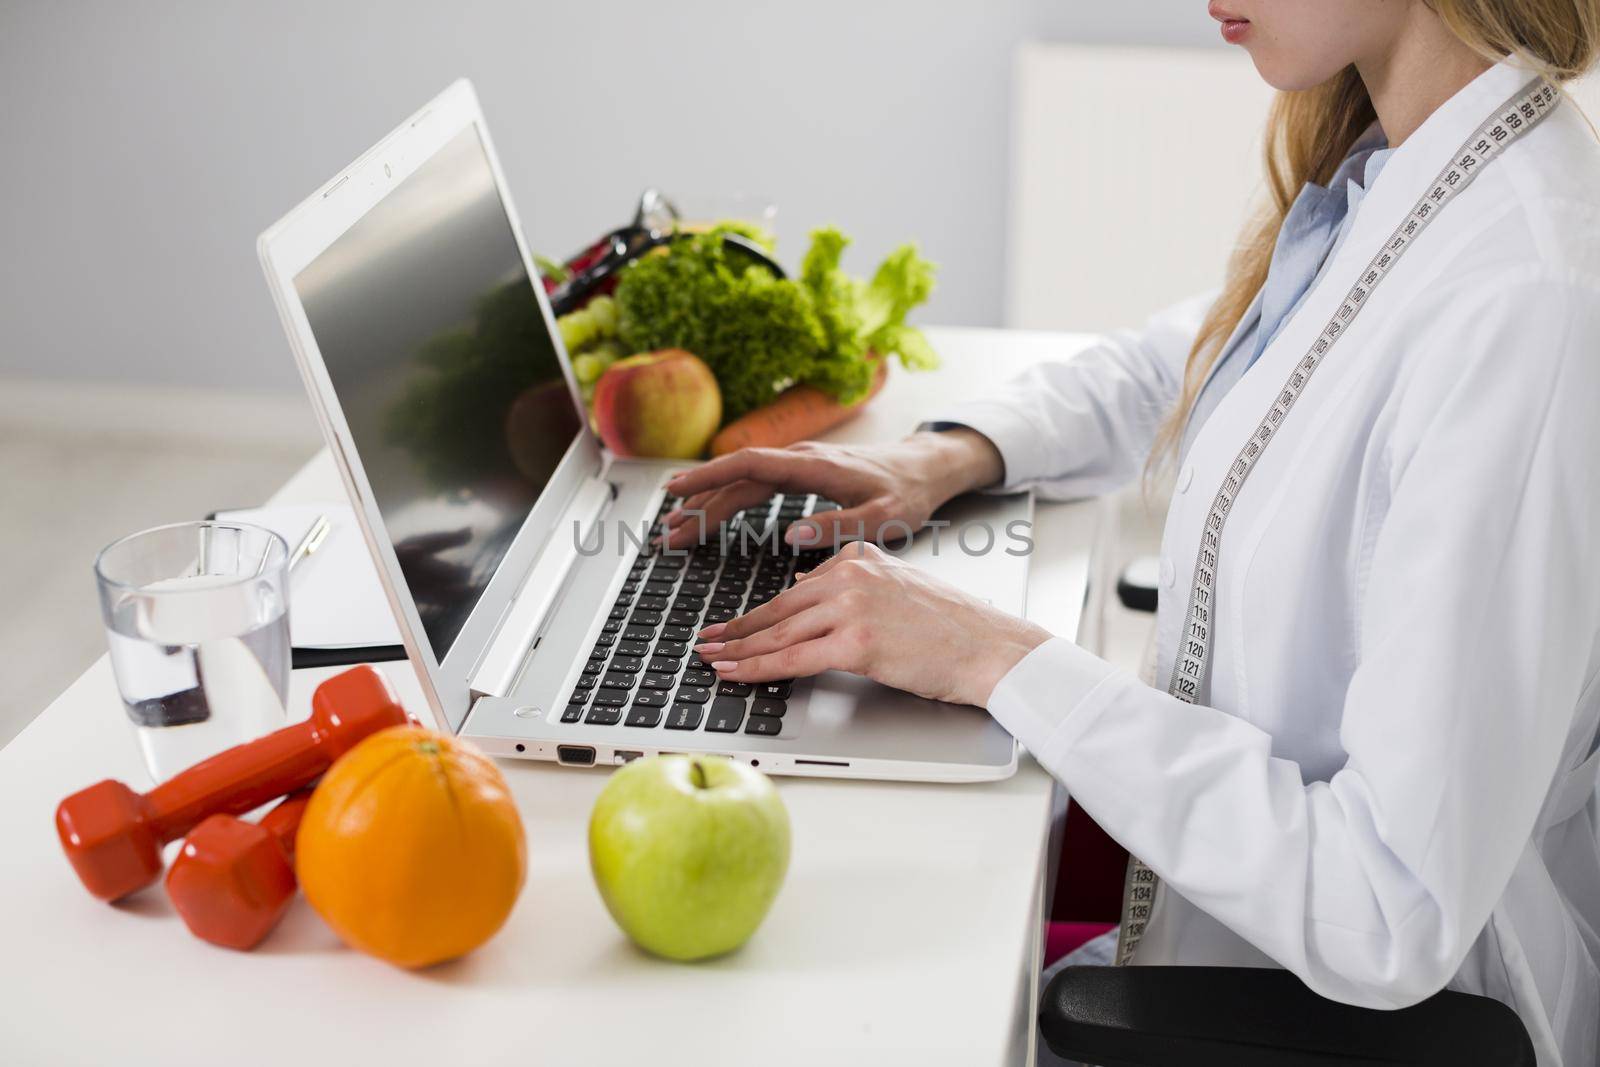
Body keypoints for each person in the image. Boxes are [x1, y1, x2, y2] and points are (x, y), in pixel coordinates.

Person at [660, 1, 1600, 1062]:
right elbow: (1186, 361)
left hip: (1324, 1017)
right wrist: (943, 455)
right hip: (1219, 938)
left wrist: (994, 655)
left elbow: (1391, 907)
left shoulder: (1526, 301)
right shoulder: (1406, 169)